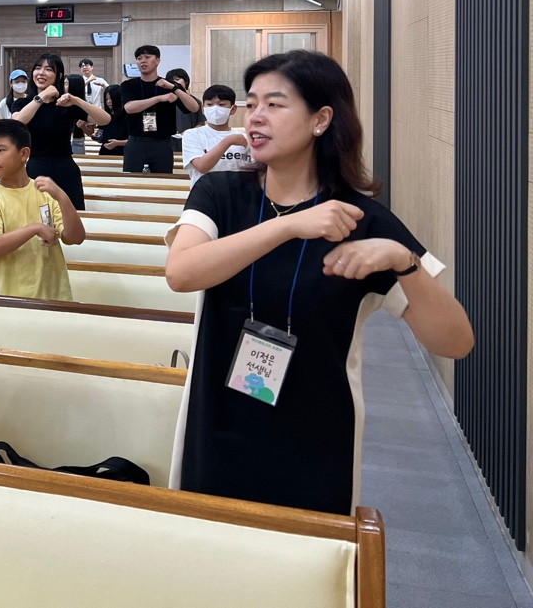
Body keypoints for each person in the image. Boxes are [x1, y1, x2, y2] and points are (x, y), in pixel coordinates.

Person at [165, 50, 473, 515]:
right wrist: (289, 225)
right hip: (217, 425)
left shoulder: (360, 219)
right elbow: (182, 273)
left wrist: (403, 261)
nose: (255, 117)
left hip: (315, 437)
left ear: (321, 119)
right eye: (252, 103)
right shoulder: (220, 193)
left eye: (275, 104)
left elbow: (455, 342)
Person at [0, 119, 86, 301]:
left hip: (54, 294)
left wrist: (62, 197)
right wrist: (35, 228)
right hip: (11, 298)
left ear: (24, 154)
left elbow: (76, 237)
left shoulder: (45, 191)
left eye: (0, 150)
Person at [8, 53, 108, 210]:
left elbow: (104, 119)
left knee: (72, 214)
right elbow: (18, 122)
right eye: (38, 68)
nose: (41, 73)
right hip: (37, 166)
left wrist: (76, 100)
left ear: (58, 76)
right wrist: (42, 96)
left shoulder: (66, 103)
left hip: (65, 167)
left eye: (48, 69)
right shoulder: (23, 102)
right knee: (37, 215)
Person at [119, 45, 199, 173]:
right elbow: (129, 108)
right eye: (139, 58)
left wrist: (174, 88)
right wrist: (160, 98)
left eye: (147, 57)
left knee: (163, 179)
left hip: (162, 143)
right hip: (136, 141)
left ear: (157, 61)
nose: (143, 61)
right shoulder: (128, 85)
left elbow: (194, 107)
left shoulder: (169, 85)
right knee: (131, 178)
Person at [181, 84, 256, 186]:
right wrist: (228, 141)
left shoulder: (245, 138)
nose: (215, 109)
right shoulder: (192, 135)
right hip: (205, 192)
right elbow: (202, 167)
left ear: (233, 109)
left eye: (221, 104)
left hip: (239, 192)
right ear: (203, 109)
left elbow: (258, 169)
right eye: (209, 104)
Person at [166, 67, 202, 146]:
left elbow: (201, 124)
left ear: (186, 81)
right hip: (167, 142)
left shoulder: (195, 102)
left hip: (189, 141)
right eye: (171, 81)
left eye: (177, 79)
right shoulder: (164, 101)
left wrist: (189, 132)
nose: (174, 83)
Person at [93, 86, 128, 156]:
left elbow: (136, 140)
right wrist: (96, 137)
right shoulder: (105, 115)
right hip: (105, 152)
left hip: (123, 153)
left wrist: (118, 143)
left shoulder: (127, 115)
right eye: (106, 99)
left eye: (111, 99)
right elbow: (101, 136)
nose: (108, 102)